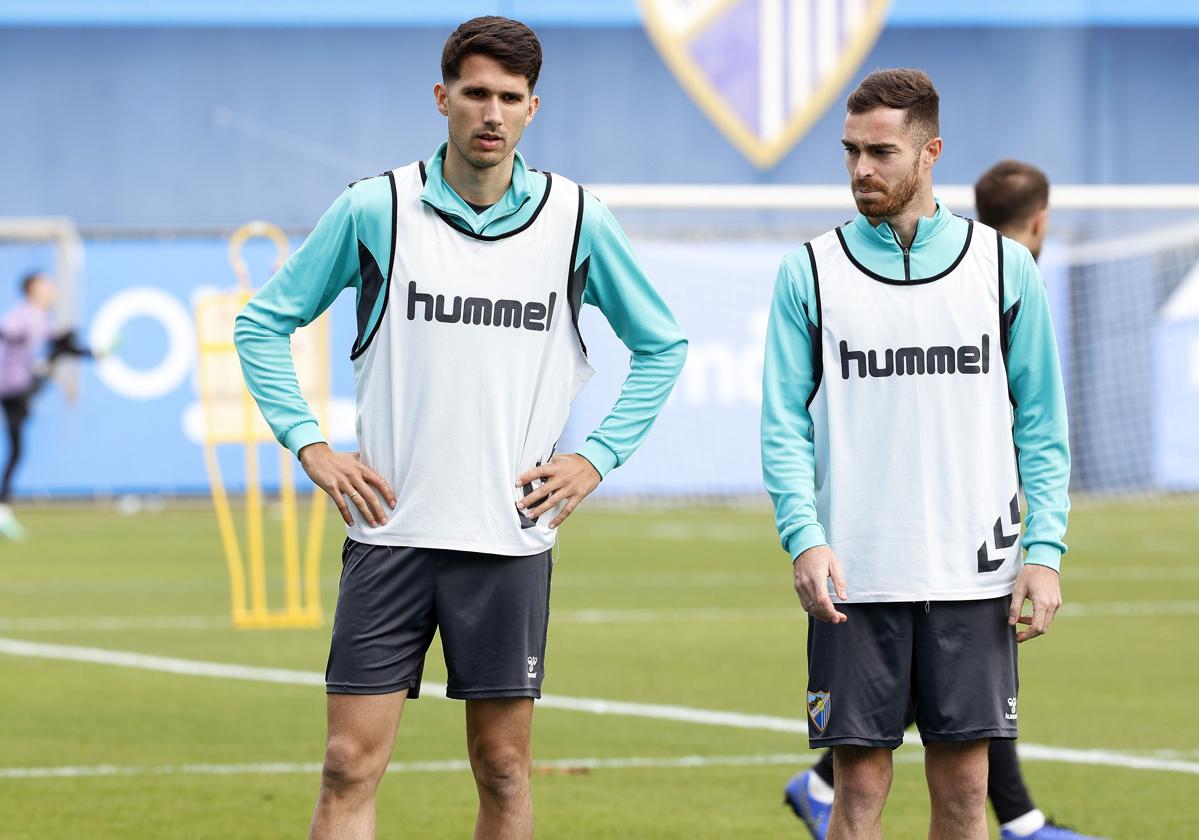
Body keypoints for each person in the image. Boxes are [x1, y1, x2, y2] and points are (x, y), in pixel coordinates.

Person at [234, 16, 686, 840]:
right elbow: (262, 324)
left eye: (509, 98)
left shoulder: (576, 219)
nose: (491, 112)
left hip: (507, 539)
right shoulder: (376, 208)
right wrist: (312, 445)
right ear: (441, 97)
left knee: (505, 770)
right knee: (345, 764)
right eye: (475, 93)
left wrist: (596, 457)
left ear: (532, 108)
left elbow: (662, 345)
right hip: (390, 532)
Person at [761, 69, 1071, 840]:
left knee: (966, 793)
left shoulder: (1003, 266)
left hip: (975, 571)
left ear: (930, 152)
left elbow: (1042, 425)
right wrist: (804, 537)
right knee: (857, 793)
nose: (861, 169)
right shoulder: (809, 270)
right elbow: (779, 426)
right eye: (849, 152)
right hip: (853, 576)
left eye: (881, 152)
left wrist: (1045, 551)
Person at [0, 271, 94, 540]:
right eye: (45, 284)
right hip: (11, 387)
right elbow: (8, 332)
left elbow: (60, 346)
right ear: (32, 289)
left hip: (20, 387)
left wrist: (94, 353)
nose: (52, 288)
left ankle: (2, 508)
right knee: (16, 449)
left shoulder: (41, 319)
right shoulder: (22, 315)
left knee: (17, 450)